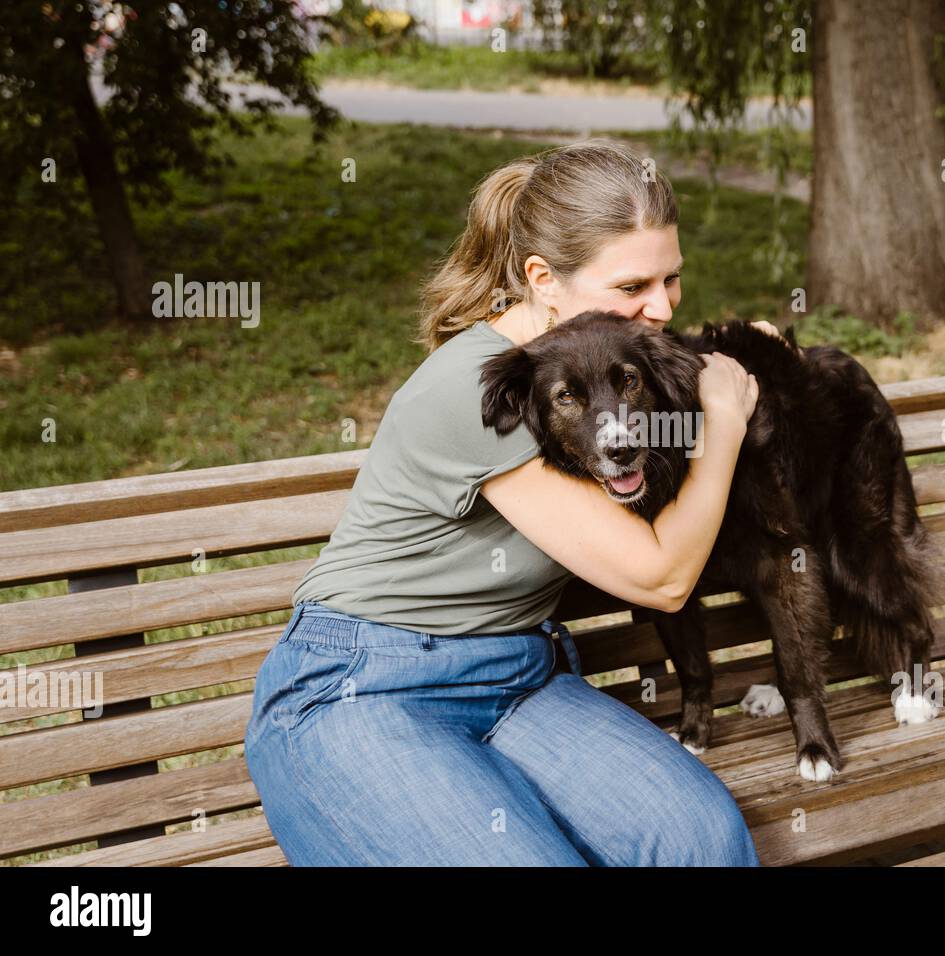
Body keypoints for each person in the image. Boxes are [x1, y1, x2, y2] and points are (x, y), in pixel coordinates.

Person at [244, 139, 782, 866]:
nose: (660, 308)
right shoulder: (485, 387)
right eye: (633, 288)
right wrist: (722, 423)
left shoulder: (605, 368)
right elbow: (661, 577)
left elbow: (700, 381)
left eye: (672, 279)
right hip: (362, 689)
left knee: (702, 842)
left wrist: (760, 358)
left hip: (518, 679)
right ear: (542, 279)